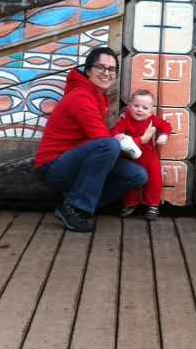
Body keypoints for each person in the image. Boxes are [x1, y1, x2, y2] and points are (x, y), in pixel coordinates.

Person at [34, 47, 149, 233]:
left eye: (112, 69)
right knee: (109, 145)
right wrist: (140, 140)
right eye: (100, 67)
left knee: (137, 175)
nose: (107, 73)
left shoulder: (98, 95)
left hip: (75, 161)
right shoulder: (81, 97)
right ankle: (73, 208)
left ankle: (78, 205)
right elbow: (103, 141)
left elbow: (98, 140)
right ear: (88, 70)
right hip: (53, 167)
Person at [112, 89, 172, 221]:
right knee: (130, 183)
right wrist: (118, 135)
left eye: (145, 108)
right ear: (129, 105)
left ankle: (152, 206)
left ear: (151, 111)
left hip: (150, 158)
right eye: (136, 106)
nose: (140, 110)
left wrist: (164, 135)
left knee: (154, 181)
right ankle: (130, 204)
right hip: (131, 158)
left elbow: (166, 125)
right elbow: (116, 132)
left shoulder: (152, 120)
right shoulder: (125, 120)